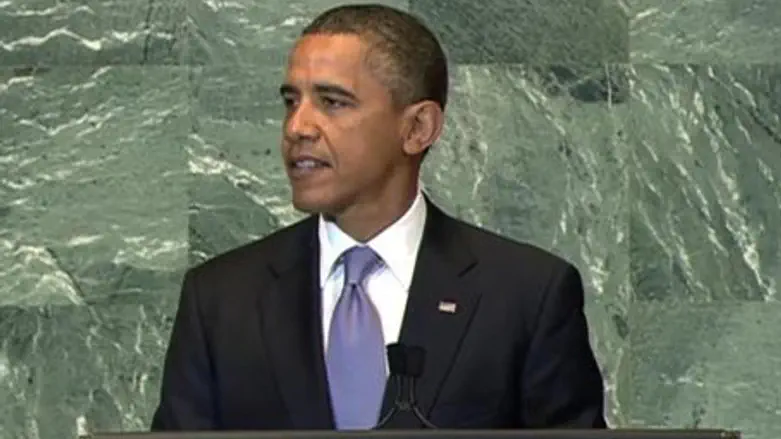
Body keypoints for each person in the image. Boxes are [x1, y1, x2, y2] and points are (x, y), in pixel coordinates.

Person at [150, 3, 606, 431]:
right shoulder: (220, 299)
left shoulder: (526, 295)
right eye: (292, 101)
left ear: (417, 128)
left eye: (332, 101)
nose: (297, 127)